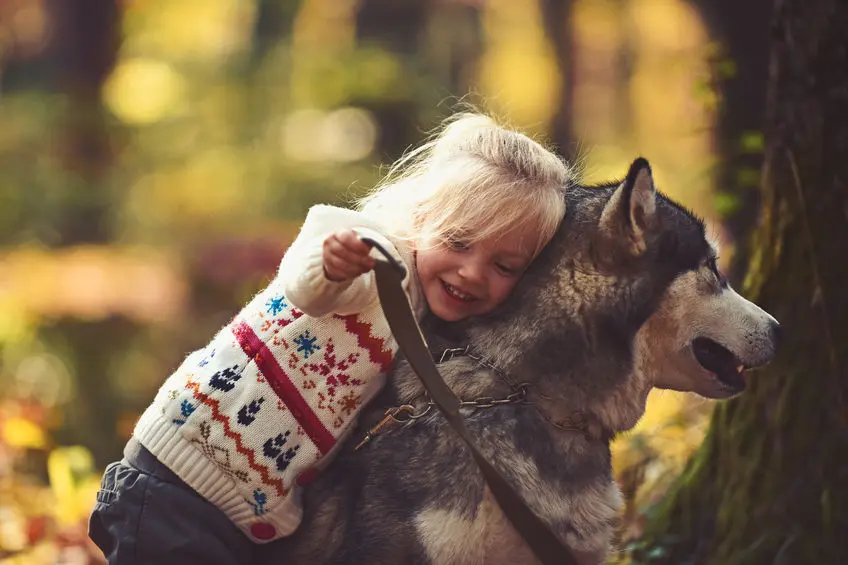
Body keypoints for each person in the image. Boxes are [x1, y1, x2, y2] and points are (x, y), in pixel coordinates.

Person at [88, 112, 571, 564]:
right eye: (459, 241)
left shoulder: (433, 320)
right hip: (177, 481)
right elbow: (307, 288)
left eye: (505, 266)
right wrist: (333, 263)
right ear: (423, 216)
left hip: (242, 515)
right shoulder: (373, 255)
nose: (473, 272)